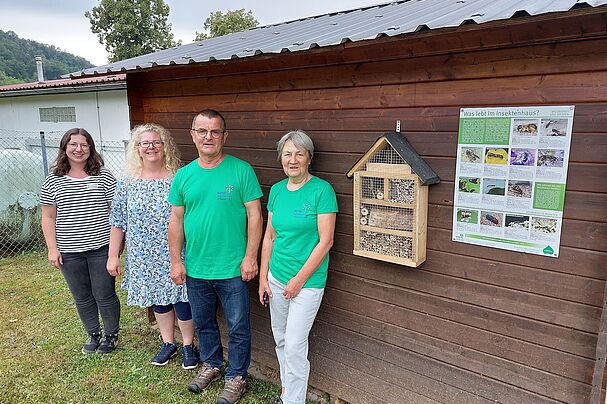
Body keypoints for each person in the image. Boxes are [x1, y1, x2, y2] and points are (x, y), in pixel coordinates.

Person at [168, 109, 263, 404]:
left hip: (233, 267)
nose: (208, 137)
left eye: (215, 131)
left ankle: (236, 376)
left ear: (225, 136)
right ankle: (211, 365)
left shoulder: (241, 170)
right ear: (193, 135)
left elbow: (255, 215)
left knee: (237, 325)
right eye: (202, 131)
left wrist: (251, 257)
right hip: (197, 267)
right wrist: (176, 260)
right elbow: (176, 220)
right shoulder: (184, 176)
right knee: (204, 321)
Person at [106, 123, 198, 369]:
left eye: (156, 142)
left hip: (176, 250)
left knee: (182, 299)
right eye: (144, 143)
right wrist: (113, 256)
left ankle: (188, 345)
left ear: (165, 146)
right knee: (158, 299)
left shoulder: (179, 179)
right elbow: (118, 222)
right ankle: (168, 343)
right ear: (137, 148)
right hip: (143, 253)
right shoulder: (127, 183)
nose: (151, 147)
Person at [258, 130, 337, 404]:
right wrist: (263, 278)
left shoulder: (322, 191)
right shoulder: (278, 190)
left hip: (308, 283)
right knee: (280, 340)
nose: (293, 160)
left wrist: (299, 280)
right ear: (281, 158)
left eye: (299, 154)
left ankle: (294, 400)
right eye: (287, 154)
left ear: (309, 158)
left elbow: (326, 242)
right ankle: (286, 391)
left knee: (293, 345)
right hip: (276, 277)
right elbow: (270, 236)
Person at [40, 128, 121, 354]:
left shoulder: (103, 176)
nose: (79, 149)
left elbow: (116, 211)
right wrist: (52, 248)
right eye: (73, 144)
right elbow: (48, 216)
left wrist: (116, 246)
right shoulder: (53, 180)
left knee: (104, 293)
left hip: (100, 247)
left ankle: (111, 335)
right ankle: (93, 334)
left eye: (84, 145)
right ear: (65, 148)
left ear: (91, 148)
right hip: (69, 251)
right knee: (82, 296)